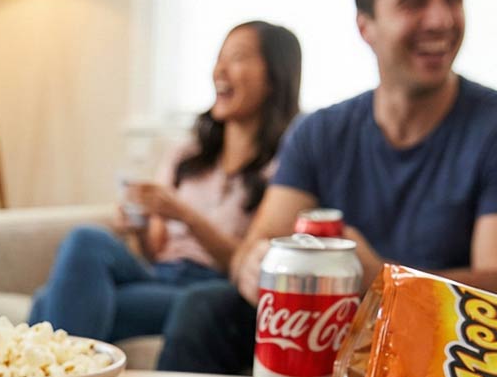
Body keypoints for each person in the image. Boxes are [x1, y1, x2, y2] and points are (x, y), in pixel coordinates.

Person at [156, 0, 497, 374]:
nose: (441, 20)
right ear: (367, 26)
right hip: (326, 339)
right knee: (204, 307)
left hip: (446, 352)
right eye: (414, 1)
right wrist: (256, 266)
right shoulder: (319, 133)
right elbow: (255, 248)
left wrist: (379, 281)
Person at [27, 21, 302, 344]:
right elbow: (155, 251)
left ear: (274, 76)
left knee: (50, 301)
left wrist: (184, 214)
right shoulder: (186, 155)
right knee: (86, 239)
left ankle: (44, 375)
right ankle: (59, 375)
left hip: (209, 292)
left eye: (237, 58)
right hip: (158, 276)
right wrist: (140, 226)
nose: (220, 70)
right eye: (219, 58)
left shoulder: (287, 171)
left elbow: (248, 266)